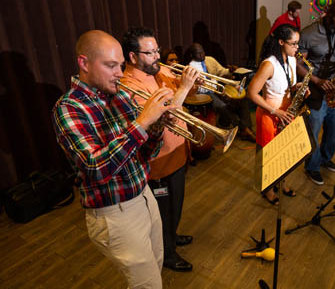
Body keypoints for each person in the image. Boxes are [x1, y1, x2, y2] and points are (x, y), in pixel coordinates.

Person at [52, 30, 176, 288]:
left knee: (156, 266)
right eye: (110, 66)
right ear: (84, 63)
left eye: (120, 65)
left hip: (144, 195)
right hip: (115, 213)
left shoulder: (119, 95)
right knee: (149, 285)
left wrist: (157, 127)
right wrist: (143, 121)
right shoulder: (68, 108)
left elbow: (146, 153)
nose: (120, 73)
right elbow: (95, 168)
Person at [120, 27, 200, 272]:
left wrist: (194, 83)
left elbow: (189, 95)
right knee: (163, 211)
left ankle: (172, 237)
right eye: (150, 52)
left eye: (157, 50)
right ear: (133, 57)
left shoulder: (160, 70)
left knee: (176, 204)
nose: (157, 56)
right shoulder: (128, 85)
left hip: (177, 151)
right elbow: (161, 119)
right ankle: (167, 254)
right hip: (159, 161)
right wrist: (184, 88)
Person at [297, 0, 335, 185]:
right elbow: (297, 64)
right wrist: (316, 79)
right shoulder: (309, 33)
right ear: (329, 13)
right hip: (316, 91)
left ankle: (325, 158)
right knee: (314, 131)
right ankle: (312, 166)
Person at [248, 24, 301, 205]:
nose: (297, 48)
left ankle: (281, 182)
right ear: (280, 42)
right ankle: (268, 189)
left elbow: (287, 86)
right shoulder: (269, 64)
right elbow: (252, 93)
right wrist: (275, 111)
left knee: (284, 153)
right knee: (269, 156)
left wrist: (298, 88)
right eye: (293, 44)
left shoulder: (292, 60)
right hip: (269, 116)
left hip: (286, 114)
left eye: (297, 44)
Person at [186, 43, 256, 142]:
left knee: (242, 99)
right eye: (198, 53)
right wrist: (212, 86)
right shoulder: (191, 68)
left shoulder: (209, 60)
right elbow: (198, 89)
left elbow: (222, 72)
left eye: (203, 52)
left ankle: (245, 128)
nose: (202, 55)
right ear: (192, 55)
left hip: (217, 89)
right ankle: (244, 129)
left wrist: (230, 71)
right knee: (223, 106)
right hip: (206, 93)